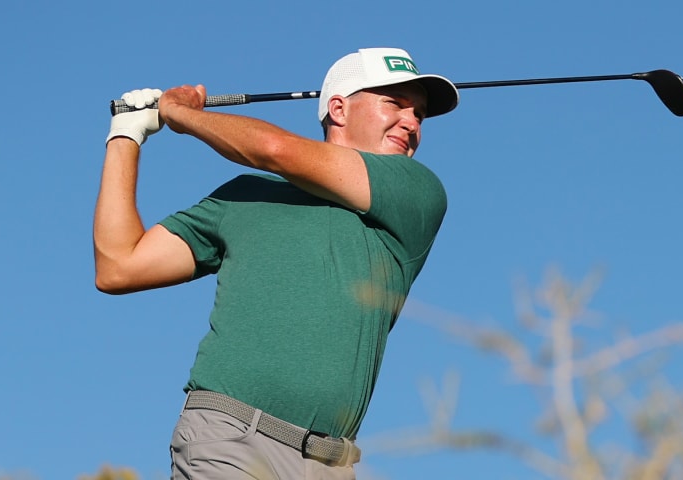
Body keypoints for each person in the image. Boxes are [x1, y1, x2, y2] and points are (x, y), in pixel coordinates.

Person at [93, 47, 459, 479]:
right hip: (229, 438)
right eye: (394, 104)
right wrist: (126, 136)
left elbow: (273, 148)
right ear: (338, 108)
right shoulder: (247, 195)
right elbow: (119, 265)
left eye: (419, 114)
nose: (412, 123)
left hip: (331, 464)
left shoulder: (415, 192)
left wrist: (181, 114)